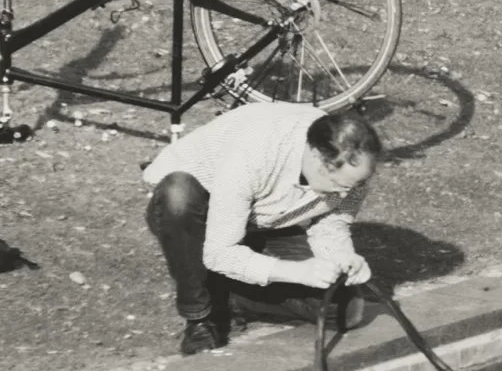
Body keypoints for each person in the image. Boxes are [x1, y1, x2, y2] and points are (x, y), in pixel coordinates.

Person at [143, 101, 382, 355]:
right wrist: (295, 272)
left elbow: (331, 223)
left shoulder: (351, 172)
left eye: (353, 186)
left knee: (347, 309)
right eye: (339, 184)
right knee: (179, 196)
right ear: (315, 156)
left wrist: (341, 257)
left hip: (261, 221)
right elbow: (219, 252)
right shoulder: (255, 153)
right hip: (194, 212)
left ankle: (226, 293)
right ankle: (201, 316)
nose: (347, 193)